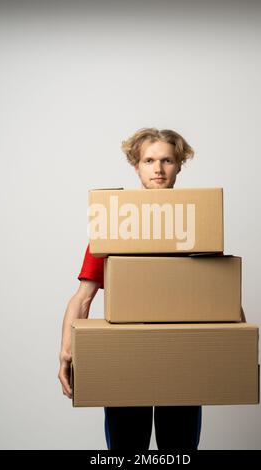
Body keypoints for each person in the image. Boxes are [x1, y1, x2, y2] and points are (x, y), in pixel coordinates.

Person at [58, 127, 202, 450]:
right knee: (126, 454)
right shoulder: (113, 226)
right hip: (125, 354)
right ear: (136, 166)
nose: (158, 169)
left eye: (167, 160)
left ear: (179, 165)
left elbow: (218, 293)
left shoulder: (199, 224)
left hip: (181, 356)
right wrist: (66, 352)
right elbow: (83, 297)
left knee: (179, 454)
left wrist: (238, 345)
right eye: (149, 160)